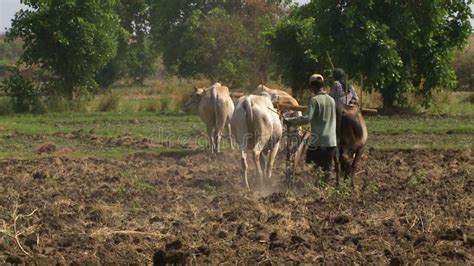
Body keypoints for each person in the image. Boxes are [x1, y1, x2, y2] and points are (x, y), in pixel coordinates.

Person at [284, 74, 337, 179]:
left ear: (313, 87)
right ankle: (324, 191)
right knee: (327, 170)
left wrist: (289, 121)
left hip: (318, 142)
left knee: (311, 166)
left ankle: (312, 188)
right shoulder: (332, 100)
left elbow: (306, 118)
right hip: (331, 142)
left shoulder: (314, 100)